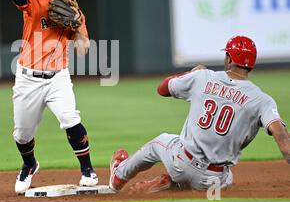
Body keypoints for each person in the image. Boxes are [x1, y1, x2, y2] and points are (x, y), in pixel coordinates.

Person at [109, 35, 290, 193]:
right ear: (252, 63)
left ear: (229, 58)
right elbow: (280, 135)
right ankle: (177, 186)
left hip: (181, 163)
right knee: (229, 177)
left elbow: (162, 89)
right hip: (212, 180)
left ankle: (119, 176)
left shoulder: (204, 77)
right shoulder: (262, 99)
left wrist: (191, 73)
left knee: (159, 142)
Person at [0, 0, 98, 194]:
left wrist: (77, 25)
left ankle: (88, 170)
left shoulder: (75, 11)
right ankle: (30, 164)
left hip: (58, 76)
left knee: (70, 118)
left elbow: (83, 48)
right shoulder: (38, 0)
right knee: (22, 134)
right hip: (28, 78)